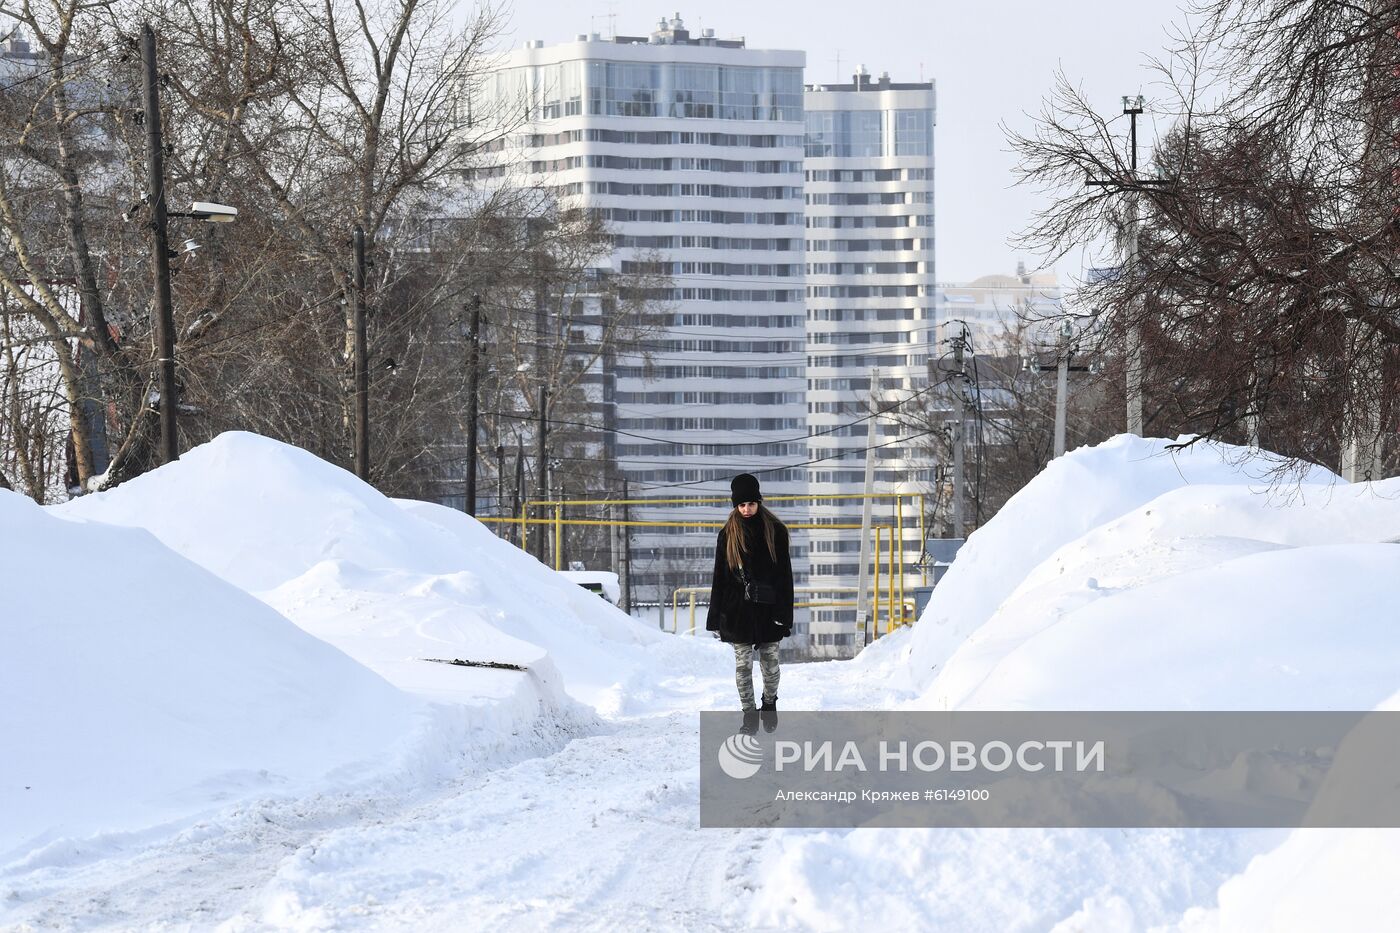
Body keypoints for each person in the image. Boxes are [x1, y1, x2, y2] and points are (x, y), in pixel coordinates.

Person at [706, 473, 794, 716]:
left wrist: (784, 615)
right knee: (743, 667)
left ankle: (769, 703)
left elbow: (785, 577)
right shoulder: (727, 534)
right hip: (737, 612)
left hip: (769, 609)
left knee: (770, 665)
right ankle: (748, 713)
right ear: (735, 505)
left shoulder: (775, 531)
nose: (746, 509)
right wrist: (715, 618)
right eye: (741, 505)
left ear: (759, 502)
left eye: (751, 504)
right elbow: (719, 578)